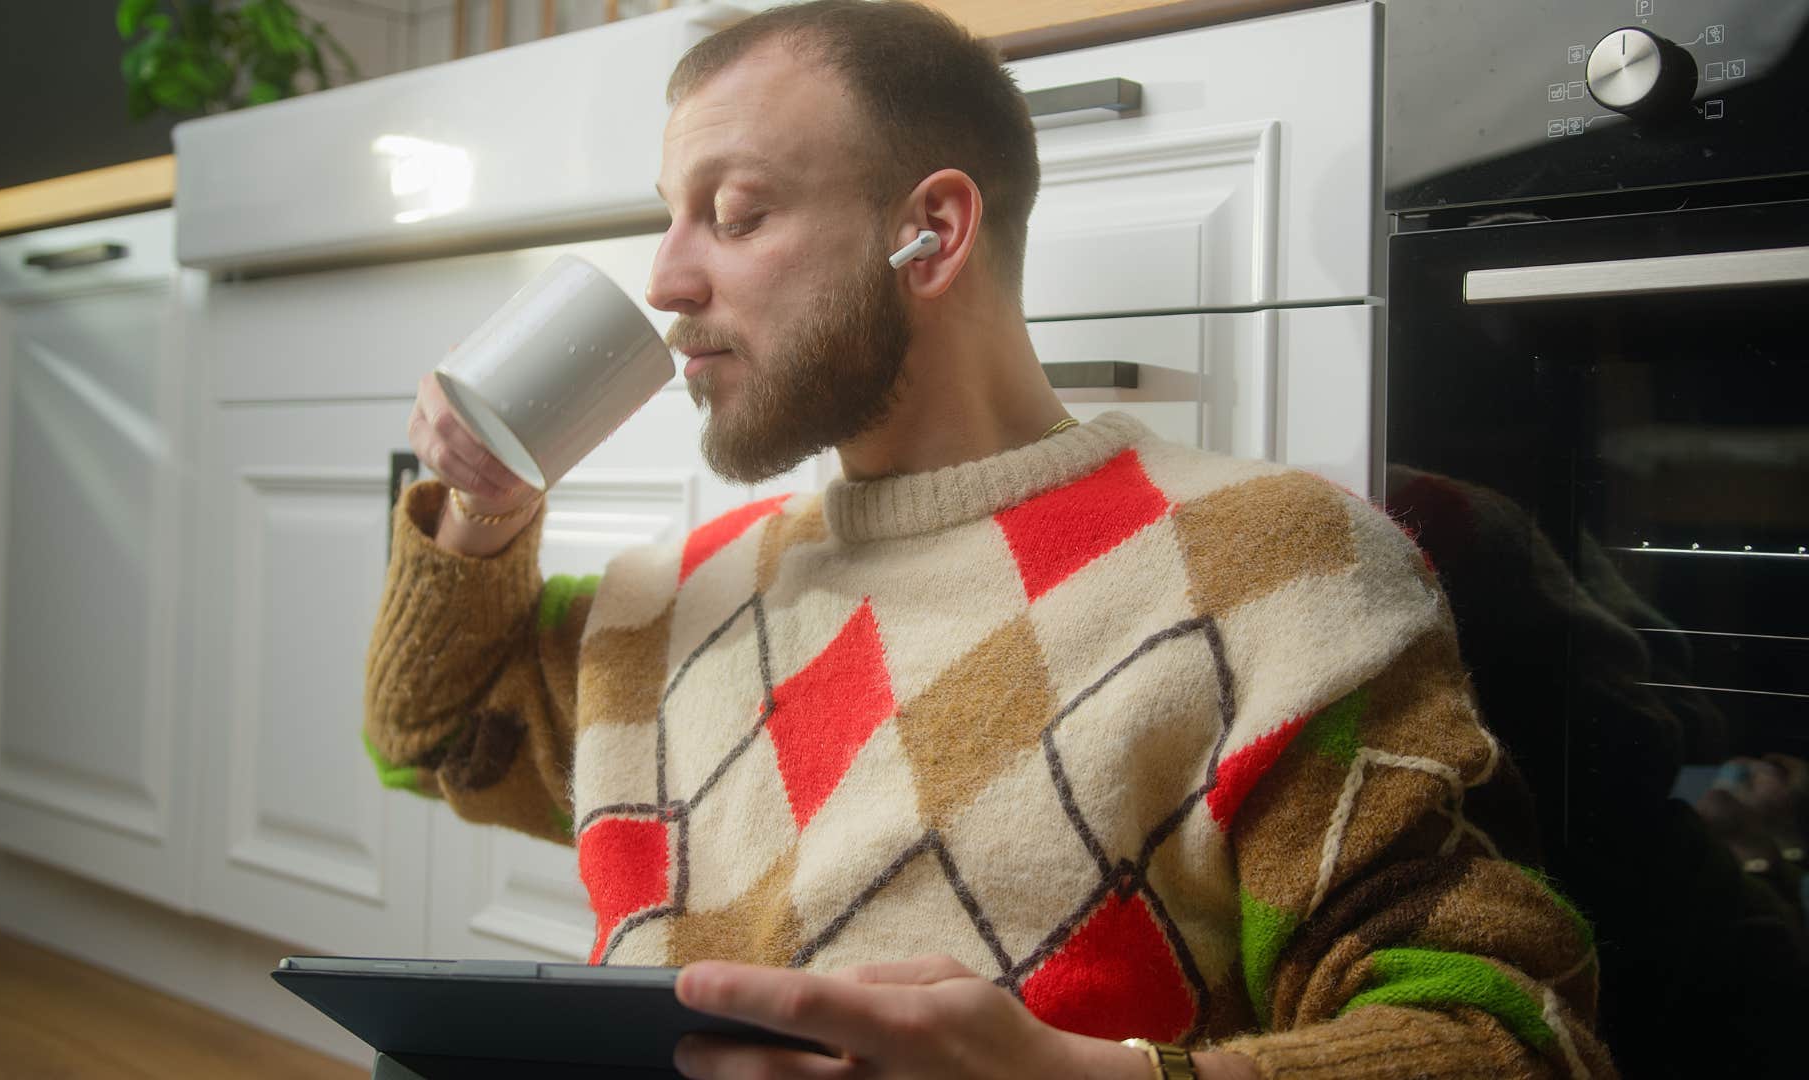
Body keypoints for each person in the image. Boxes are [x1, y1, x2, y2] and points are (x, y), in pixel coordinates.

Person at [365, 3, 1613, 1077]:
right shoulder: (676, 599)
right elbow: (429, 739)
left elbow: (1510, 1030)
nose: (667, 278)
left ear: (935, 233)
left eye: (735, 215)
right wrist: (486, 506)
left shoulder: (1272, 565)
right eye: (669, 218)